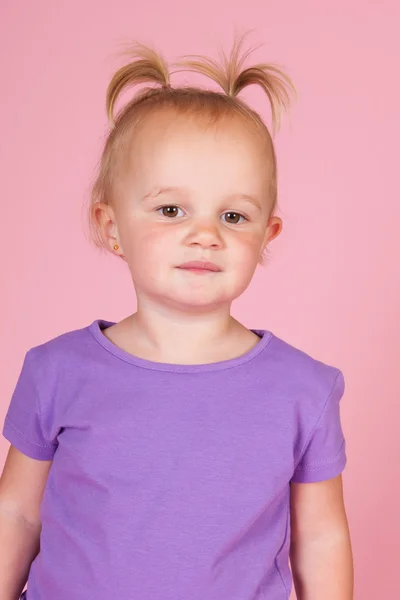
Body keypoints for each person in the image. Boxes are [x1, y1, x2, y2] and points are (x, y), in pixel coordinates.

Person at [0, 36, 354, 600]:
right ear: (110, 225)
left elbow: (322, 539)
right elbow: (16, 514)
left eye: (234, 215)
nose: (206, 234)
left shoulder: (304, 390)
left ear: (268, 235)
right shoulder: (55, 371)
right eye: (171, 209)